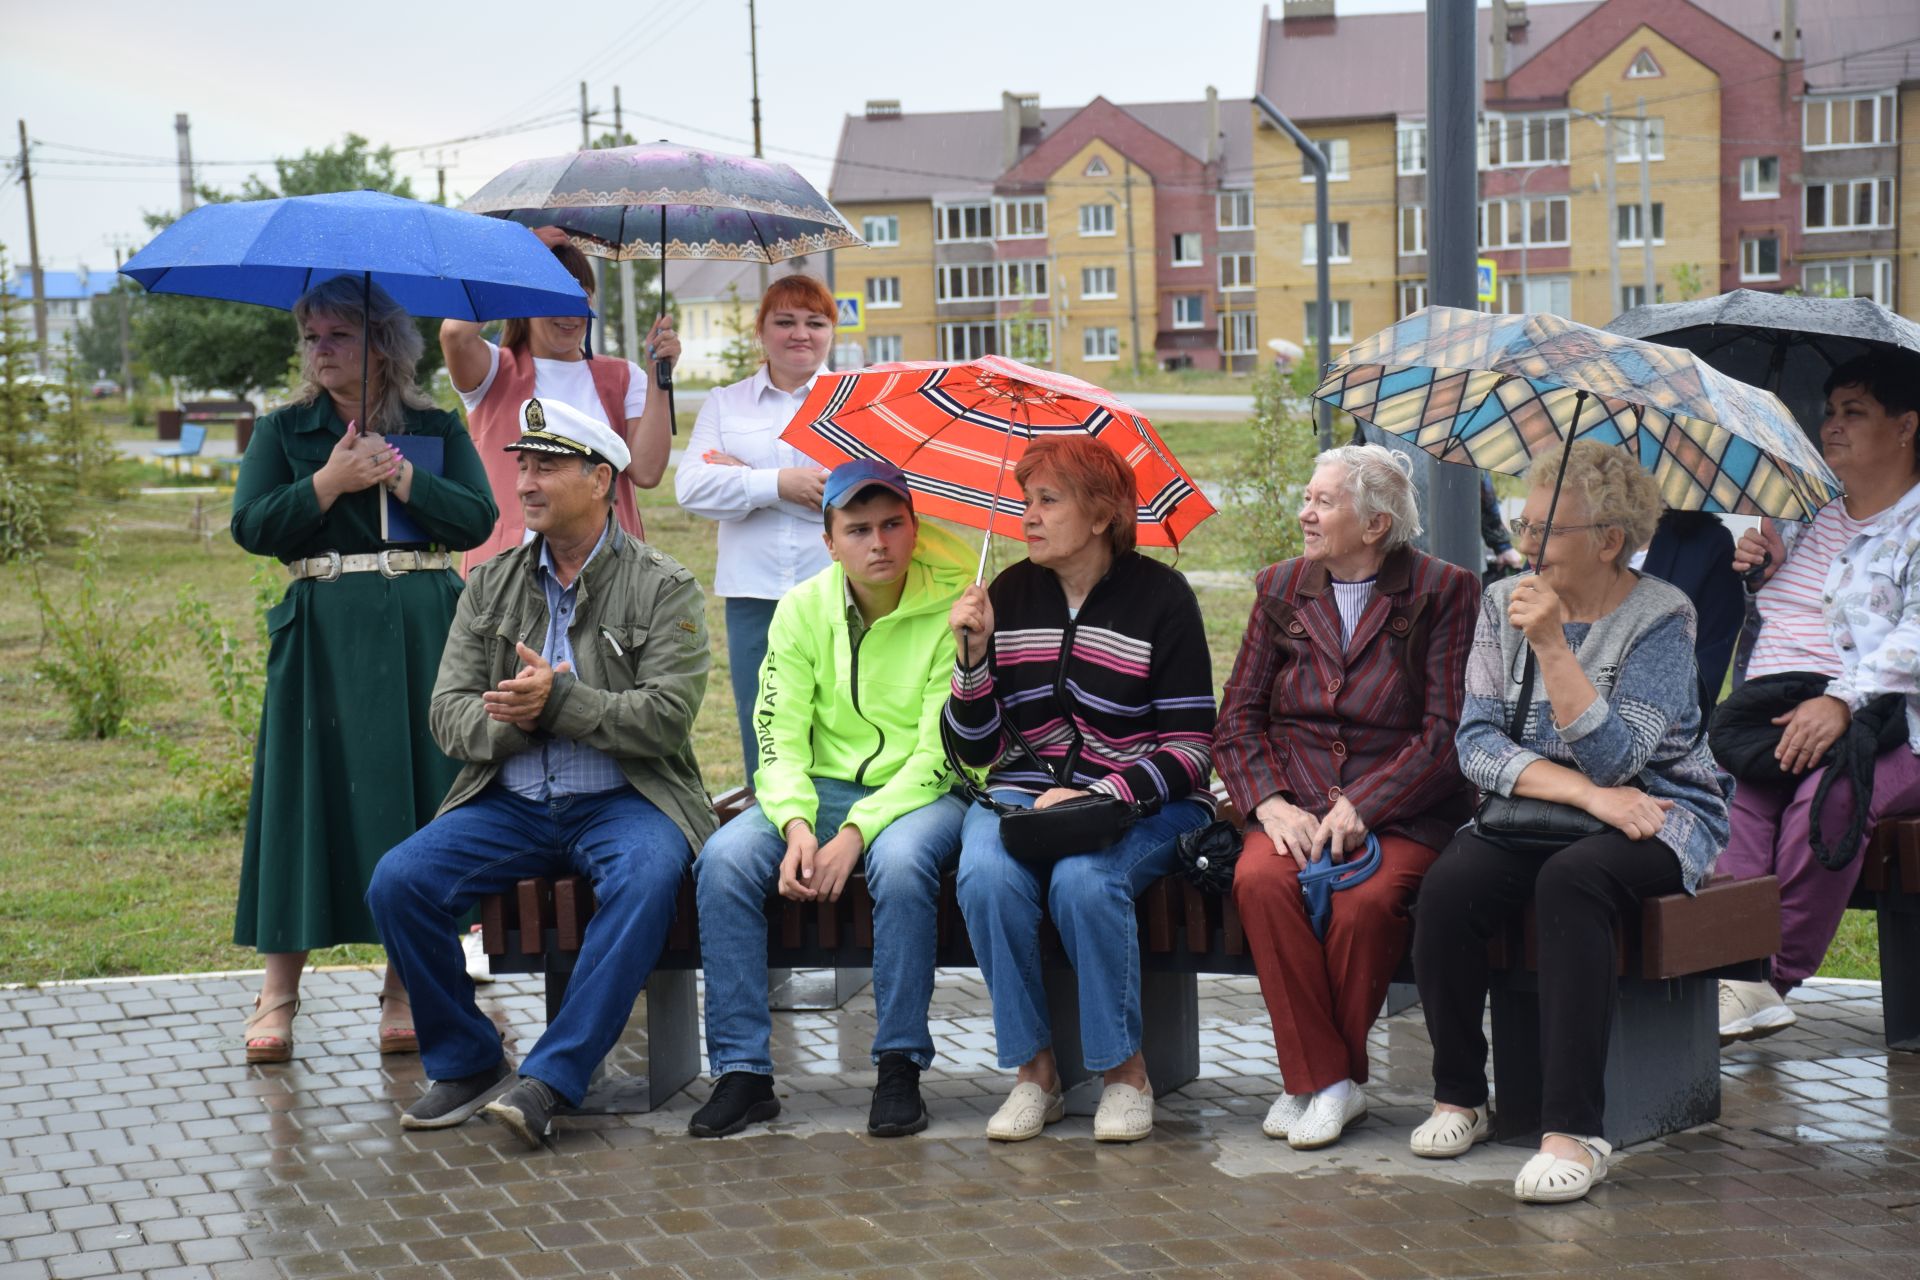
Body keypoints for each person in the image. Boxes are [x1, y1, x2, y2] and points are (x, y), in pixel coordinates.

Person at [366, 396, 715, 1149]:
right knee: (399, 881)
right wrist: (516, 721)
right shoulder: (488, 584)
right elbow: (447, 715)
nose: (524, 482)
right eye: (521, 464)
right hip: (512, 804)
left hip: (627, 798)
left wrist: (563, 702)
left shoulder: (664, 585)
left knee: (650, 876)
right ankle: (466, 1062)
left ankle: (551, 1080)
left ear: (601, 480)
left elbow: (666, 719)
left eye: (546, 466)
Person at [1411, 441, 1730, 1204]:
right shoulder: (1501, 603)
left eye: (1544, 533)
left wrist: (1553, 645)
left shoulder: (1661, 616)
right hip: (1551, 810)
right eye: (1522, 528)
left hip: (1661, 813)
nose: (1524, 547)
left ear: (1609, 540)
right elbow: (1476, 745)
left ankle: (1574, 1132)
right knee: (1449, 889)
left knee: (1573, 883)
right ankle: (1460, 1095)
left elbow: (1623, 761)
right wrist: (1584, 797)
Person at [230, 278, 497, 1066]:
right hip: (323, 632)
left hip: (423, 628)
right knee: (301, 800)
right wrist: (329, 482)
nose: (319, 351)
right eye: (311, 336)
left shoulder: (432, 425)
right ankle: (277, 993)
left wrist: (404, 477)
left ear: (383, 344)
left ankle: (405, 986)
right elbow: (251, 524)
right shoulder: (285, 428)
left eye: (337, 336)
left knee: (424, 797)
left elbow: (477, 517)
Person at [945, 436, 1216, 1144]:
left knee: (1084, 883)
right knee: (983, 876)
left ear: (1100, 516)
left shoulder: (1162, 597)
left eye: (1047, 501)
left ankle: (1125, 1075)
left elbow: (1192, 746)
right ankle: (1035, 1074)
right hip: (1022, 799)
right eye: (1025, 500)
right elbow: (975, 749)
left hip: (1139, 801)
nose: (1027, 517)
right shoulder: (1005, 593)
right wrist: (971, 660)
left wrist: (1108, 797)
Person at [689, 459, 971, 1139]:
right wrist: (793, 822)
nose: (879, 543)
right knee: (724, 861)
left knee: (900, 866)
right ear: (829, 541)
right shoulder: (801, 609)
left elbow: (943, 750)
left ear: (913, 527)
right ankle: (743, 1073)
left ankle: (899, 1064)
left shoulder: (955, 606)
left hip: (919, 794)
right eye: (858, 529)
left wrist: (858, 832)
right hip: (817, 790)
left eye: (893, 525)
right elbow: (777, 732)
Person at [1214, 445, 1478, 1151]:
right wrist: (1268, 804)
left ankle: (1319, 1081)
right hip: (1294, 802)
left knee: (1365, 904)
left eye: (1323, 501)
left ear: (1374, 524)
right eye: (1307, 496)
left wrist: (1366, 802)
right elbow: (1237, 716)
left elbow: (1447, 730)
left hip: (1404, 806)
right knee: (1261, 879)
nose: (1304, 512)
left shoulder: (1444, 589)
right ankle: (1325, 1081)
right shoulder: (1280, 587)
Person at [1717, 353, 1920, 1042]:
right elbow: (1789, 622)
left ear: (1906, 427)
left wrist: (1842, 703)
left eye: (1853, 412)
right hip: (1787, 709)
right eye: (1830, 412)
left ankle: (1773, 976)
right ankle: (1729, 967)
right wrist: (1761, 572)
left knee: (1831, 800)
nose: (1831, 427)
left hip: (1895, 728)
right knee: (1740, 801)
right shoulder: (1808, 519)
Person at [440, 226, 680, 573]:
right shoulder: (493, 370)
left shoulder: (624, 377)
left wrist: (660, 378)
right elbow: (453, 334)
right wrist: (518, 257)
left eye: (580, 298)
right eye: (554, 296)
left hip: (605, 573)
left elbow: (646, 471)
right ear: (524, 300)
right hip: (508, 574)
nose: (570, 314)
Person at [674, 275, 837, 781]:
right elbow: (692, 489)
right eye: (784, 321)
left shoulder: (850, 404)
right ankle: (768, 835)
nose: (800, 333)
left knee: (834, 724)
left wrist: (740, 477)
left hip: (837, 590)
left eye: (815, 322)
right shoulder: (727, 403)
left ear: (832, 330)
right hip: (753, 596)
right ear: (760, 332)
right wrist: (777, 483)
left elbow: (865, 500)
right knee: (762, 727)